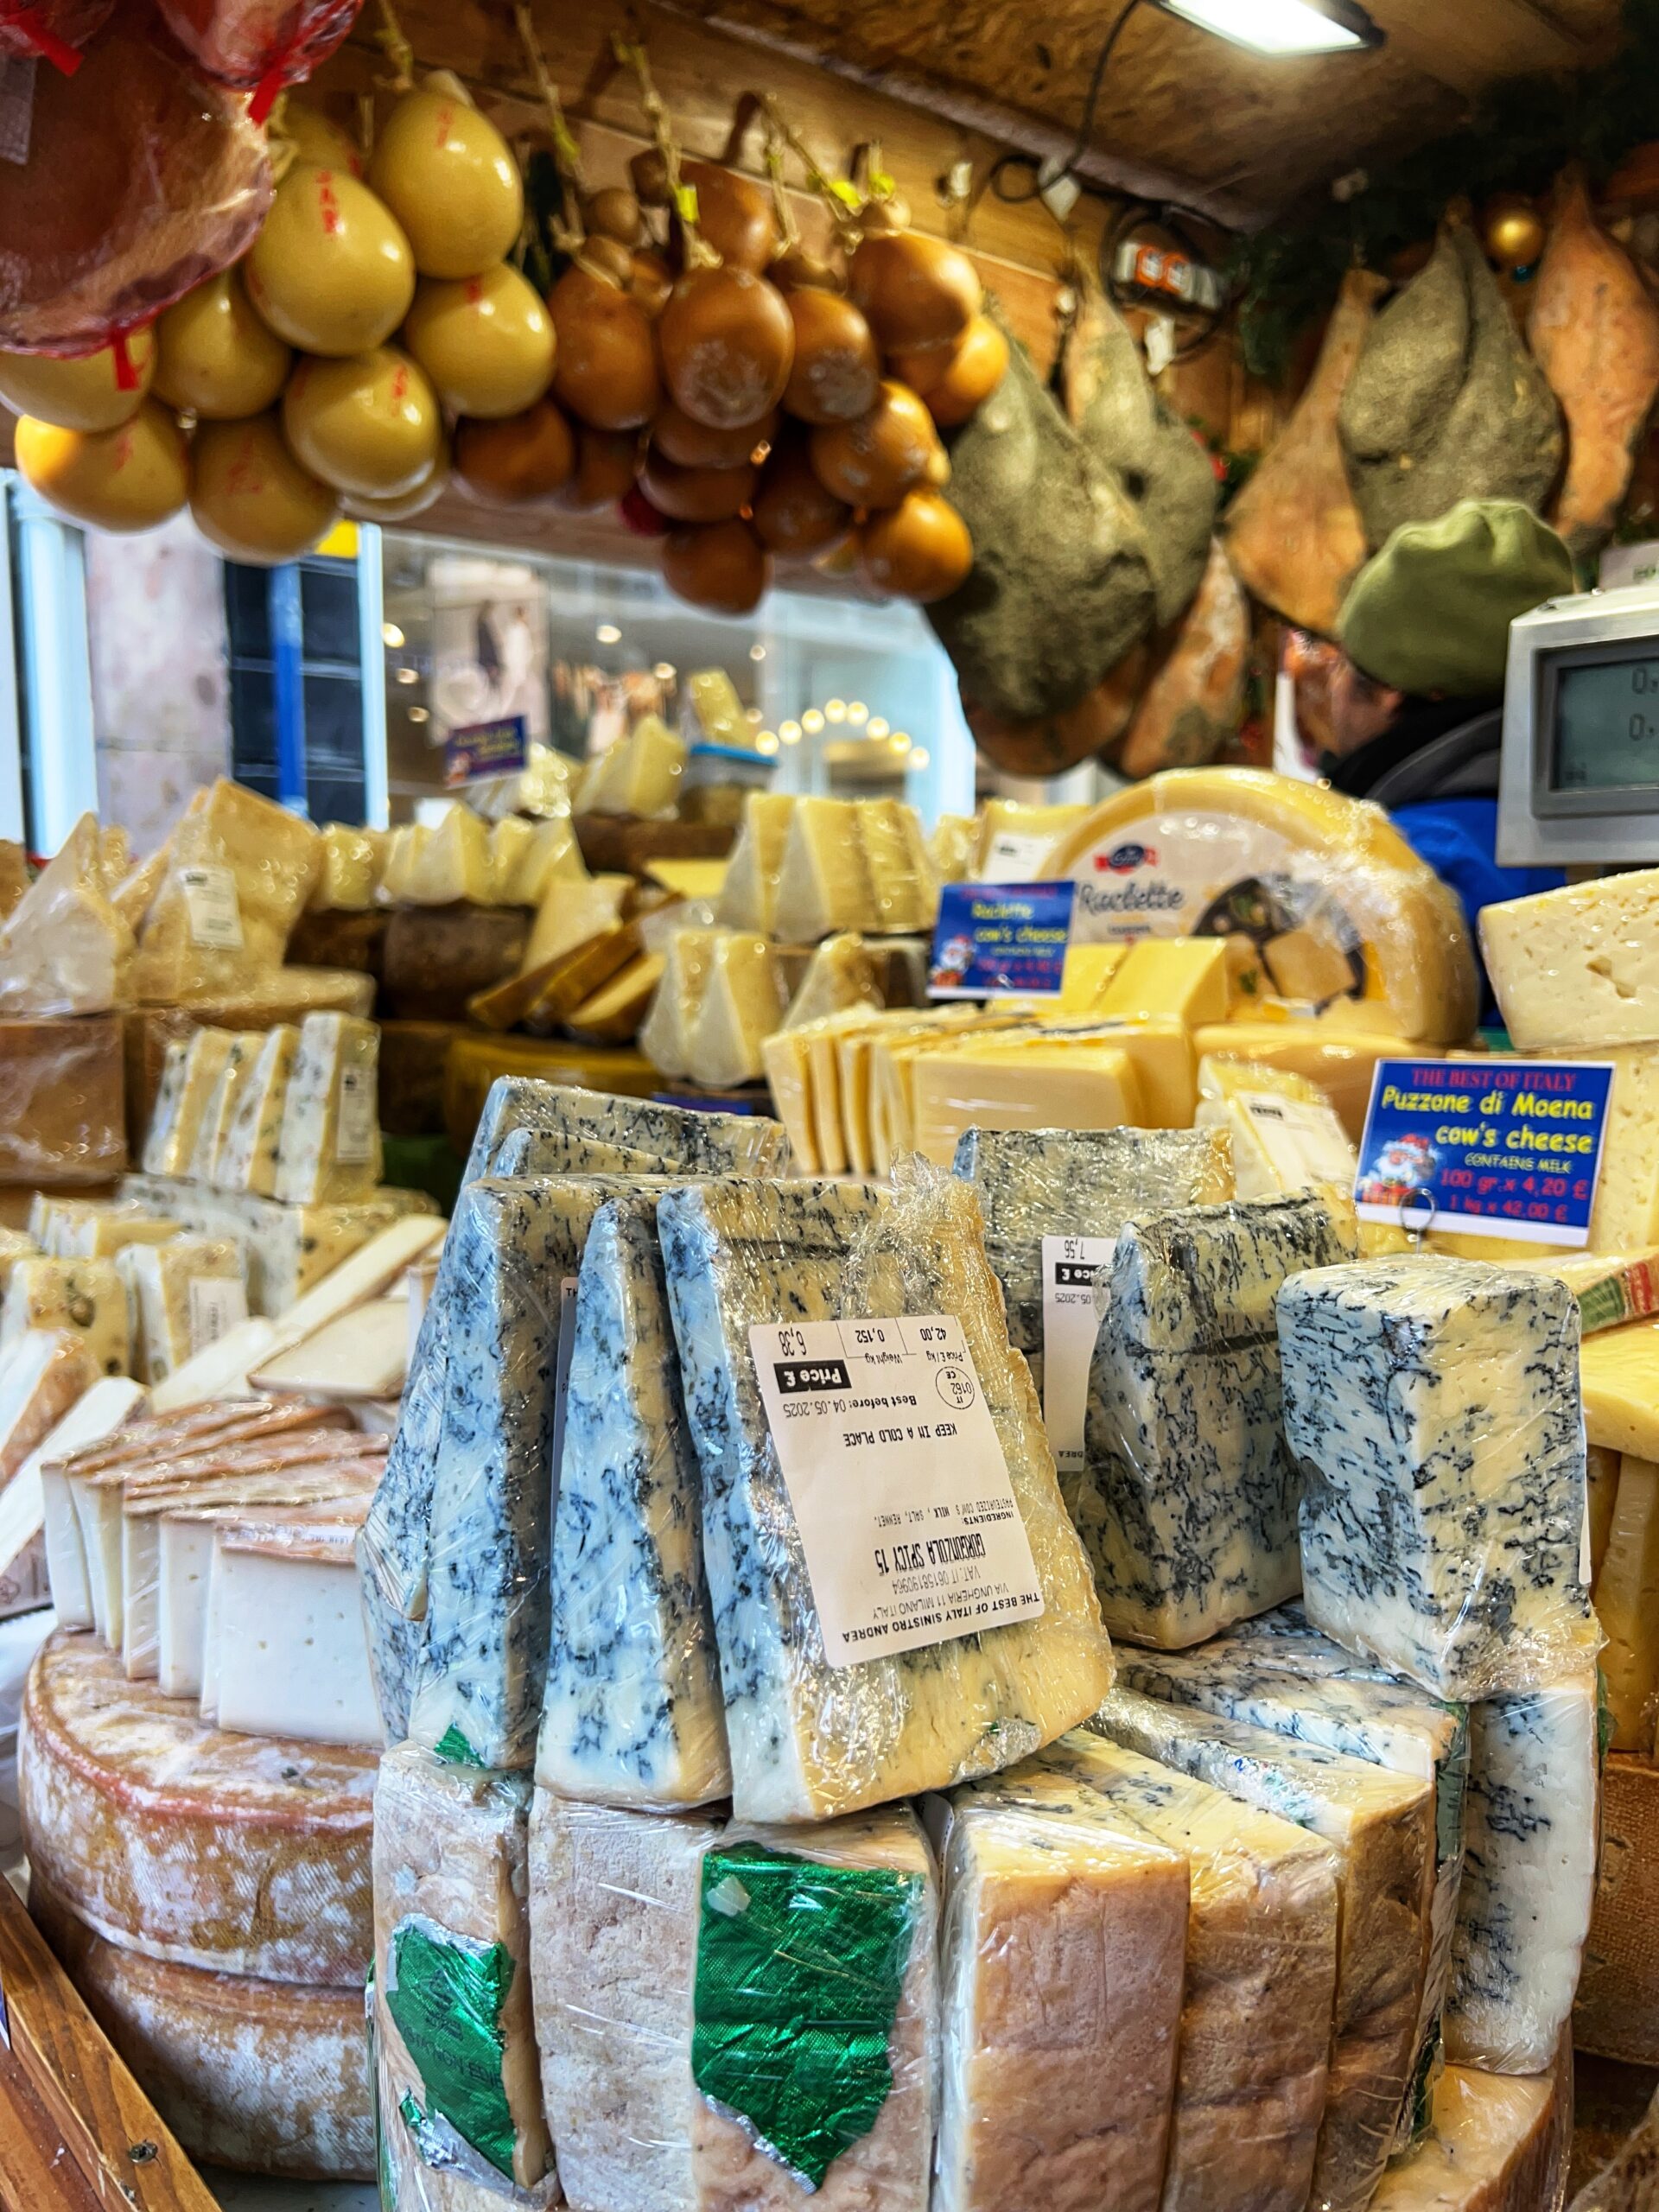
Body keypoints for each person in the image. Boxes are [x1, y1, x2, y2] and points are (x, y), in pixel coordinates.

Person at [1318, 499, 1576, 952]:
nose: (1330, 685)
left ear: (1391, 690)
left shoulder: (1417, 861)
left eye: (1342, 663)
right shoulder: (1574, 839)